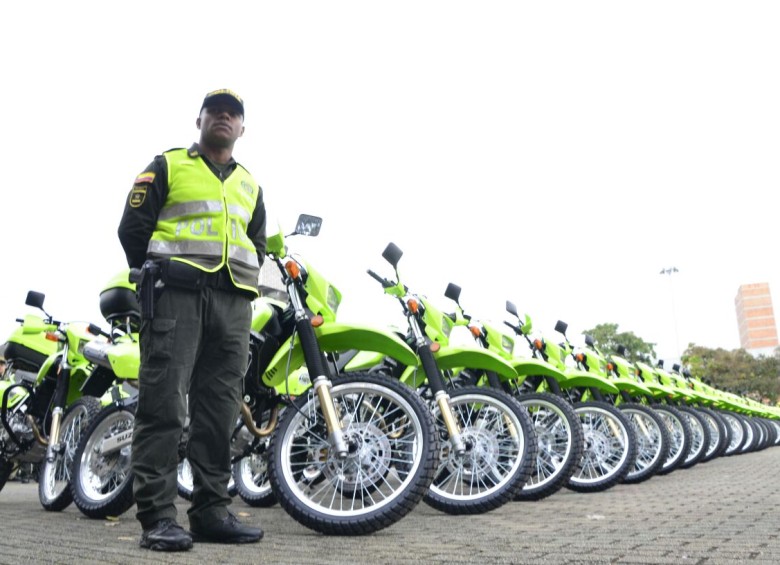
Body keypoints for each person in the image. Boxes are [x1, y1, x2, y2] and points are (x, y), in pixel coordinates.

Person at [117, 89, 266, 552]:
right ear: (199, 119)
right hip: (176, 296)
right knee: (164, 406)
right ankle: (158, 517)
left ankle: (211, 512)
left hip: (233, 306)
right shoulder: (167, 165)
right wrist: (159, 276)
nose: (225, 117)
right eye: (216, 111)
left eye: (234, 114)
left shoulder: (250, 185)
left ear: (242, 129)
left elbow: (256, 244)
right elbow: (133, 228)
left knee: (219, 411)